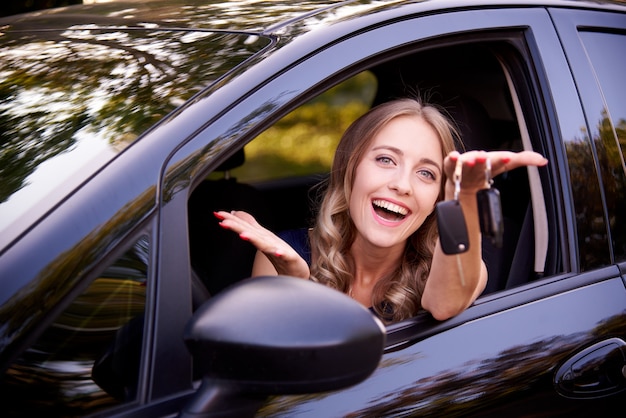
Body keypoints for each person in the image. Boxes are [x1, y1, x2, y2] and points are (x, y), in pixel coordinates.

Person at [214, 98, 548, 323]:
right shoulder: (282, 257)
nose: (403, 185)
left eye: (426, 173)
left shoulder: (454, 268)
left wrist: (465, 198)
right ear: (351, 168)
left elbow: (444, 304)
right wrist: (296, 287)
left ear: (436, 198)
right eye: (386, 160)